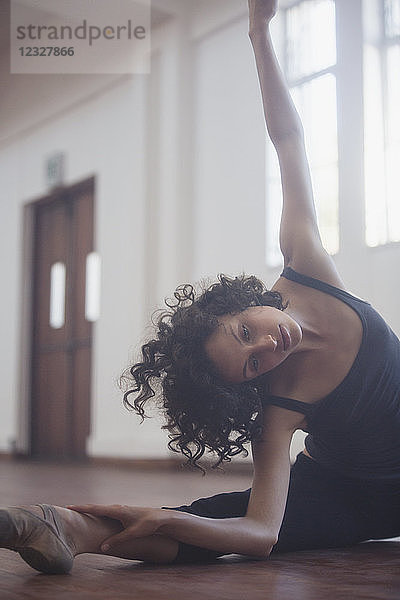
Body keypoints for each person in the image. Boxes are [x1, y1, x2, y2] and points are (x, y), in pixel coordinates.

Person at [1, 0, 400, 574]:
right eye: (252, 365)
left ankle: (82, 528)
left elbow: (288, 140)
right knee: (220, 520)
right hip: (359, 498)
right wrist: (169, 519)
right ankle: (65, 528)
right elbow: (259, 531)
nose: (267, 349)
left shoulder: (308, 268)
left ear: (244, 303)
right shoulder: (280, 407)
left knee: (213, 520)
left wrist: (259, 31)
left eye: (245, 332)